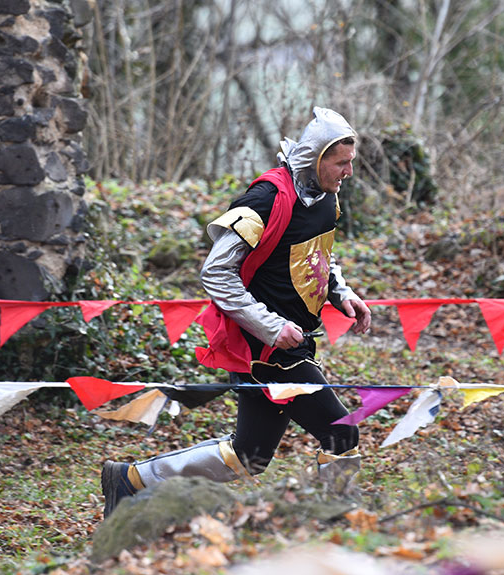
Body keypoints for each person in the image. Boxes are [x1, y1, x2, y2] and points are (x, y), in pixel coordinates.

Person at [100, 107, 372, 518]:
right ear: (317, 159)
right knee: (341, 432)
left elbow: (320, 254)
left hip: (292, 344)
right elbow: (216, 272)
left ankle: (131, 480)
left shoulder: (326, 196)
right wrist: (270, 326)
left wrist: (341, 292)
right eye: (341, 162)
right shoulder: (265, 199)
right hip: (268, 353)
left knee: (250, 455)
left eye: (351, 161)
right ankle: (337, 516)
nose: (348, 171)